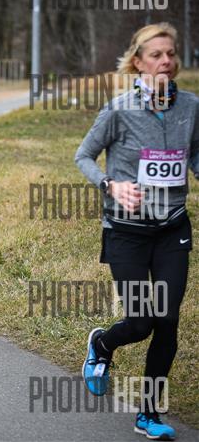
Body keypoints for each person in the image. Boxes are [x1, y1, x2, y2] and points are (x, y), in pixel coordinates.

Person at [75, 22, 198, 441]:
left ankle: (148, 413)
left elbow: (195, 155)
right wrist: (110, 185)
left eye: (171, 54)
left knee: (167, 320)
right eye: (156, 55)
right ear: (138, 62)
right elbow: (84, 156)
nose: (166, 61)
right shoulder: (118, 109)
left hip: (172, 228)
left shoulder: (192, 107)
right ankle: (102, 345)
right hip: (126, 231)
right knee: (141, 321)